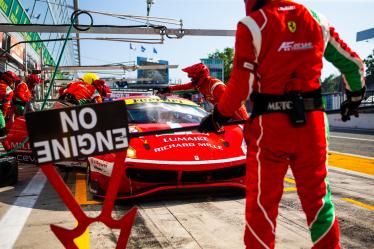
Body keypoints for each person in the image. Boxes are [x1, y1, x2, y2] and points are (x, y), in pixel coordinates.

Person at [199, 1, 366, 248]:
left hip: (270, 129)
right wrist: (354, 97)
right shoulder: (316, 18)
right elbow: (353, 64)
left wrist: (216, 117)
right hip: (312, 126)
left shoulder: (251, 25)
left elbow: (240, 87)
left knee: (262, 207)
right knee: (319, 202)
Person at [157, 63, 249, 120]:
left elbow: (231, 105)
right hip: (227, 116)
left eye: (193, 78)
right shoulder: (200, 84)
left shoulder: (216, 87)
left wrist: (217, 118)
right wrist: (168, 89)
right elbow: (184, 86)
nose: (192, 81)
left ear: (200, 77)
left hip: (238, 116)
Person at [0, 71, 17, 139]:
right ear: (9, 80)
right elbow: (5, 106)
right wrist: (4, 116)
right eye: (13, 81)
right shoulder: (9, 91)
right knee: (3, 134)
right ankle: (9, 150)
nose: (13, 83)